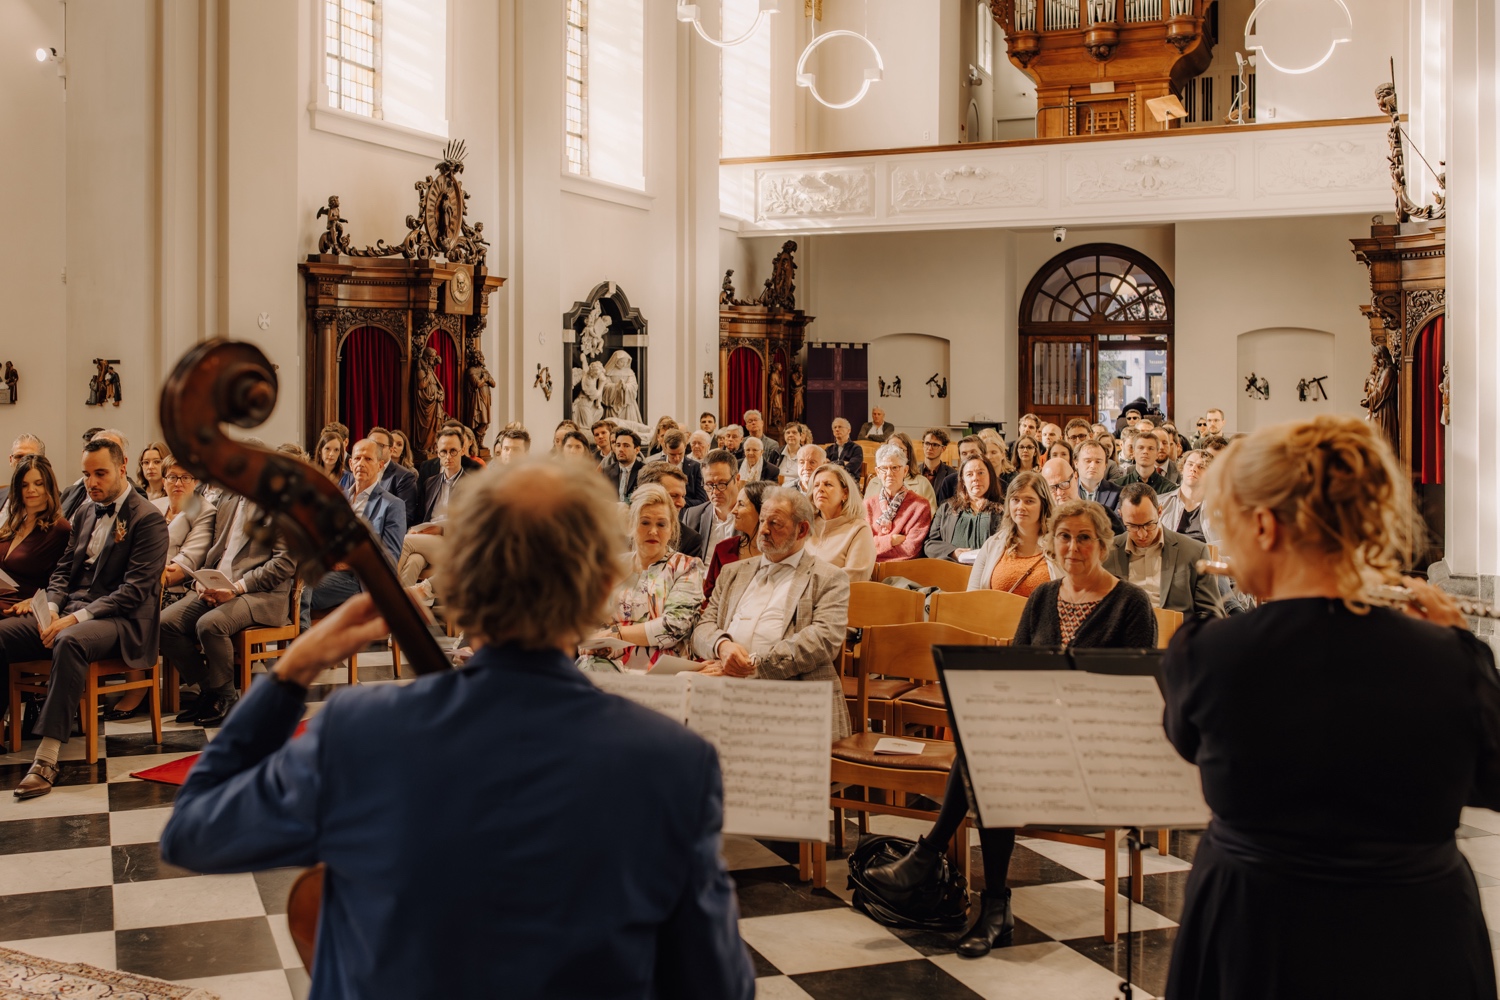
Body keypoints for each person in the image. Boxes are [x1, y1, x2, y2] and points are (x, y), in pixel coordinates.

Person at [159, 457, 755, 999]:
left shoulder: (360, 731)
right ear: (603, 589)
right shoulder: (674, 762)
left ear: (459, 592)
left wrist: (292, 672)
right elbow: (717, 989)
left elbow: (193, 830)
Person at [1161, 415, 1498, 1000]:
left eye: (1229, 524)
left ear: (1264, 526)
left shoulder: (1211, 653)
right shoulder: (1450, 660)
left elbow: (1187, 738)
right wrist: (1462, 647)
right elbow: (1492, 782)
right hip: (1417, 934)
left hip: (1255, 927)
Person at [864, 498, 1155, 956]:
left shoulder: (1130, 604)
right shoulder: (1042, 597)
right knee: (988, 751)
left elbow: (1131, 700)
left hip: (1095, 748)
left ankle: (940, 864)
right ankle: (991, 906)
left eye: (1084, 538)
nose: (1073, 547)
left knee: (988, 757)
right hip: (1035, 737)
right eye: (1063, 537)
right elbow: (1014, 670)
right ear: (1051, 543)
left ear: (1102, 543)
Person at [0, 438, 169, 795]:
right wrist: (50, 608)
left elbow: (135, 591)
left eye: (100, 473)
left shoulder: (148, 518)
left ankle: (46, 759)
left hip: (122, 621)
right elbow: (62, 572)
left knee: (69, 640)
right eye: (86, 474)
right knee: (3, 633)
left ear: (123, 468)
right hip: (73, 611)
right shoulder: (85, 512)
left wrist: (73, 620)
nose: (91, 482)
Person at [691, 487, 851, 739]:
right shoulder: (734, 572)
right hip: (724, 689)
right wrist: (722, 647)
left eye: (775, 523)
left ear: (802, 530)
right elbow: (703, 627)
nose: (763, 529)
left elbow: (823, 640)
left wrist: (751, 666)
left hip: (791, 695)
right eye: (763, 520)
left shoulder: (829, 578)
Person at [161, 485, 296, 727]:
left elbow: (285, 564)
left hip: (260, 594)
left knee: (209, 625)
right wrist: (200, 582)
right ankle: (210, 690)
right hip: (217, 585)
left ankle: (227, 697)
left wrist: (237, 588)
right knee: (164, 624)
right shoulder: (229, 499)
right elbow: (215, 551)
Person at [577, 484, 705, 672]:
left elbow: (673, 627)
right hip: (608, 666)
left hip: (662, 673)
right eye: (645, 522)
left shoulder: (686, 567)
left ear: (671, 529)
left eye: (661, 524)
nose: (653, 531)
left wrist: (617, 633)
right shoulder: (612, 567)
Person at [301, 439, 406, 629]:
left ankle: (300, 649)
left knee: (300, 591)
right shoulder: (339, 499)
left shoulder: (392, 505)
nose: (361, 464)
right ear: (350, 463)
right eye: (357, 458)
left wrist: (350, 561)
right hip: (328, 570)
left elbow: (390, 559)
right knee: (289, 581)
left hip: (359, 580)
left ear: (380, 465)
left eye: (368, 459)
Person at [1104, 483, 1223, 620]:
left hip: (1176, 636)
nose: (1142, 534)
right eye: (1132, 526)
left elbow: (1211, 613)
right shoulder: (1107, 552)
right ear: (1121, 516)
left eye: (1148, 524)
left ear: (1160, 511)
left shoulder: (1194, 552)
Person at [966, 471, 1055, 595]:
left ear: (1043, 505)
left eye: (1029, 501)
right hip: (997, 614)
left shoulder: (1060, 546)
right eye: (1015, 500)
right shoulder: (992, 545)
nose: (1020, 507)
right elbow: (972, 597)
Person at [0, 456, 70, 613]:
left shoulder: (59, 529)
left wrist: (36, 601)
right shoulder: (14, 522)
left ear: (49, 486)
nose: (31, 490)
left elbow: (61, 581)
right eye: (24, 485)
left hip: (22, 605)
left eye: (38, 484)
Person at [397, 429, 467, 587]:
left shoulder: (473, 484)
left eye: (453, 451)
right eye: (443, 452)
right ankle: (403, 608)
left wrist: (441, 530)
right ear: (437, 452)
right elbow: (421, 516)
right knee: (414, 562)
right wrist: (416, 530)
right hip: (427, 540)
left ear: (462, 450)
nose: (448, 457)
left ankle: (382, 590)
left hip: (455, 544)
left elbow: (473, 527)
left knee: (405, 541)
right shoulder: (430, 483)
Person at [805, 464, 876, 583]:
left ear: (845, 493)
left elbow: (856, 576)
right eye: (816, 485)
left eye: (828, 484)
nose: (820, 489)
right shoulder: (806, 526)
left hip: (840, 598)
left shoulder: (859, 529)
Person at [703, 482, 772, 602]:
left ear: (762, 511)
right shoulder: (723, 549)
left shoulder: (778, 553)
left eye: (741, 504)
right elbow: (709, 596)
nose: (734, 511)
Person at [925, 456, 1003, 562]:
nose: (975, 478)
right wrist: (953, 552)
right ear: (963, 480)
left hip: (990, 572)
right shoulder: (946, 509)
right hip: (953, 572)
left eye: (981, 473)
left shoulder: (1006, 509)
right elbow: (930, 543)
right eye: (969, 474)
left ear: (990, 476)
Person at [864, 443, 932, 563]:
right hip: (870, 571)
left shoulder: (920, 506)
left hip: (903, 572)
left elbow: (910, 550)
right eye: (884, 468)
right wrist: (892, 540)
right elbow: (861, 545)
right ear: (877, 472)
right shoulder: (867, 504)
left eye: (895, 468)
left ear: (905, 470)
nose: (889, 473)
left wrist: (876, 546)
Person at [681, 450, 741, 562]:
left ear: (737, 480)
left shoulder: (753, 516)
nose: (715, 492)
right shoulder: (692, 516)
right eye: (709, 484)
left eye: (722, 484)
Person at [637, 464, 702, 558]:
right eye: (673, 496)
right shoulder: (616, 533)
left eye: (683, 496)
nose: (682, 503)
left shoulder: (690, 540)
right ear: (647, 494)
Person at [861, 434, 937, 511]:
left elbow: (930, 515)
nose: (893, 453)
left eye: (899, 449)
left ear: (909, 454)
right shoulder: (873, 482)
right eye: (889, 449)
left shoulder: (922, 483)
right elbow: (864, 513)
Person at [367, 426, 421, 529]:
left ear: (391, 450)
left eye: (380, 446)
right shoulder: (362, 470)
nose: (375, 449)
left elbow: (406, 515)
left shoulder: (404, 476)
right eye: (372, 444)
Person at [1156, 449, 1213, 542]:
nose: (1193, 469)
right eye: (1190, 464)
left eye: (1201, 467)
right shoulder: (1160, 503)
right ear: (1182, 469)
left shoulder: (1218, 510)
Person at [644, 429, 708, 507]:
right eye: (672, 454)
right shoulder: (655, 467)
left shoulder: (696, 467)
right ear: (665, 447)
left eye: (680, 453)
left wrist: (676, 503)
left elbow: (702, 500)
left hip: (686, 512)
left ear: (685, 446)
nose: (677, 458)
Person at [0, 434, 46, 521]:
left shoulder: (58, 501)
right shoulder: (1, 494)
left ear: (43, 460)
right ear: (11, 460)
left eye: (31, 457)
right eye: (19, 457)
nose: (24, 462)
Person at [1112, 428, 1172, 493]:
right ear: (1134, 452)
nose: (1145, 452)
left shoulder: (1169, 489)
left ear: (1157, 454)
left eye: (1151, 448)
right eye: (1141, 448)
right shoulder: (1118, 486)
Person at [934, 435, 985, 505]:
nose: (969, 456)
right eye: (964, 453)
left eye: (973, 452)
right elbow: (943, 513)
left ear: (983, 454)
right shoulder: (949, 482)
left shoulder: (998, 483)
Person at [600, 428, 645, 502]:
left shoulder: (644, 471)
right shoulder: (607, 472)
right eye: (618, 445)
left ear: (637, 450)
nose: (620, 449)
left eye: (626, 446)